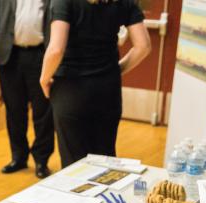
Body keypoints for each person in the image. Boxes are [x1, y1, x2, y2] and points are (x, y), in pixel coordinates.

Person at [40, 0, 151, 167]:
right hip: (108, 90)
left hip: (71, 91)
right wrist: (115, 70)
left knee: (74, 167)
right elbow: (143, 46)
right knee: (105, 164)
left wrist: (44, 78)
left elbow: (56, 49)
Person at [0, 0, 56, 178]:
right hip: (10, 56)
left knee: (43, 111)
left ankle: (41, 160)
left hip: (40, 55)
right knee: (14, 110)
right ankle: (18, 157)